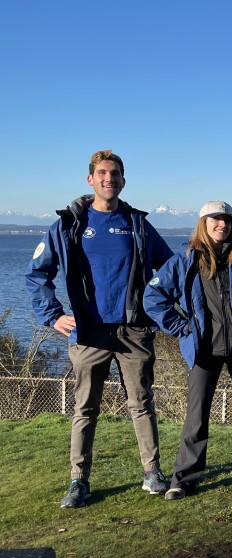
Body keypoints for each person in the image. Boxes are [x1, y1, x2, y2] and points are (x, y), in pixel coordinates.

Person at [25, 149, 174, 508]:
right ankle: (79, 481)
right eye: (103, 173)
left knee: (141, 404)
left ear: (124, 180)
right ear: (90, 179)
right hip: (88, 333)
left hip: (133, 331)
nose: (110, 179)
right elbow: (36, 273)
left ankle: (152, 473)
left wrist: (157, 306)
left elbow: (170, 268)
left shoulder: (137, 223)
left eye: (116, 173)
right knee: (85, 408)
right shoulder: (68, 225)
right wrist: (53, 315)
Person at [144, 201, 232, 499]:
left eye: (227, 220)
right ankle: (183, 480)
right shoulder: (186, 259)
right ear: (203, 223)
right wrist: (181, 328)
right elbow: (153, 295)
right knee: (196, 418)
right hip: (202, 350)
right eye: (216, 220)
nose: (222, 225)